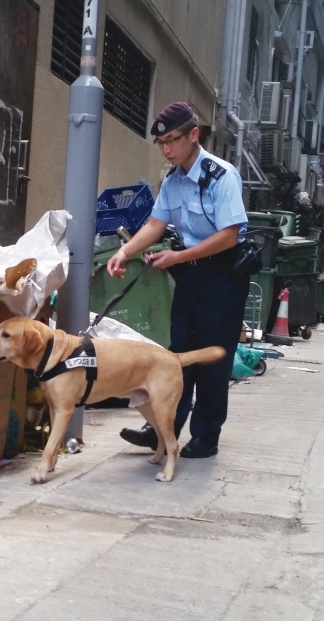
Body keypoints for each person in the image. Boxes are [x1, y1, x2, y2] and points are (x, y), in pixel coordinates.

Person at [107, 102, 250, 458]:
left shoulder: (222, 175)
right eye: (161, 143)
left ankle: (206, 435)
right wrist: (124, 253)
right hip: (190, 275)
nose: (167, 149)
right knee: (176, 355)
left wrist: (178, 257)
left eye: (172, 140)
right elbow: (156, 224)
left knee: (213, 358)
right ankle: (162, 428)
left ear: (193, 135)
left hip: (222, 275)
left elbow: (230, 234)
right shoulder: (172, 180)